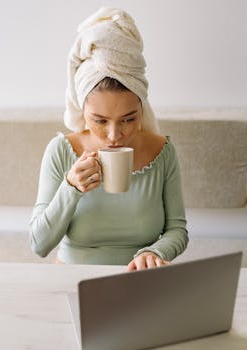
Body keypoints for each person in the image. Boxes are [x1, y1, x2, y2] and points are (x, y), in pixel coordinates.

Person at [29, 7, 188, 271]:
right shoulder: (61, 150)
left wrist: (153, 252)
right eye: (100, 121)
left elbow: (177, 230)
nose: (114, 136)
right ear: (82, 111)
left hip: (139, 282)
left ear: (142, 108)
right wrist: (71, 188)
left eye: (128, 119)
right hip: (74, 280)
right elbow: (39, 245)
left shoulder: (162, 151)